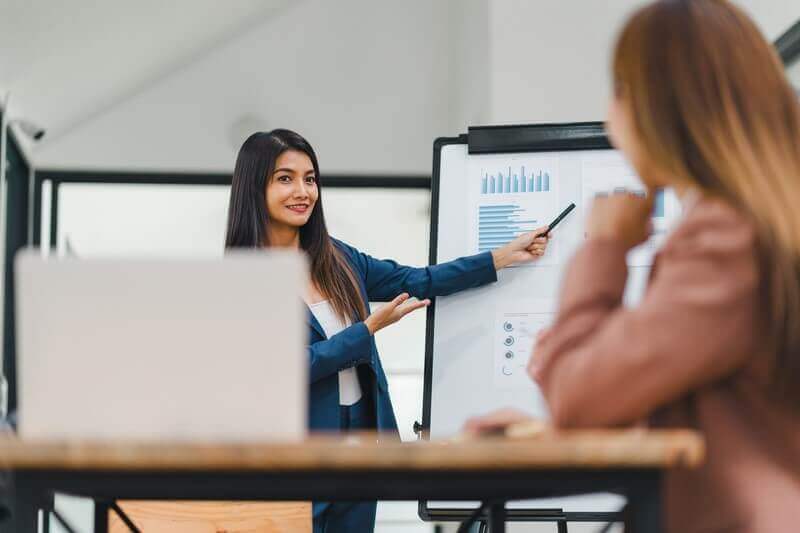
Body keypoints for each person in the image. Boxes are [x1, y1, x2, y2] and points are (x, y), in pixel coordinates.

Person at [466, 1, 800, 531]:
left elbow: (577, 395)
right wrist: (555, 436)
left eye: (620, 89)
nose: (611, 112)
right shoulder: (762, 222)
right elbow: (731, 415)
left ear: (659, 105)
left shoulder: (727, 236)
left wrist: (604, 246)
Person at [225, 128, 550, 533]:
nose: (303, 191)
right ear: (254, 187)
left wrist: (501, 257)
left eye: (310, 179)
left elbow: (420, 279)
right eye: (285, 178)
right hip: (295, 456)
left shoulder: (338, 258)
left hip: (363, 445)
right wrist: (364, 333)